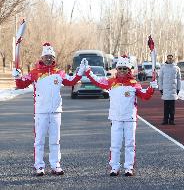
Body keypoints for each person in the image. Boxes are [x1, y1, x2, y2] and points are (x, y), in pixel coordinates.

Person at [12, 43, 86, 176]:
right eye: (46, 56)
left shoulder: (59, 72)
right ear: (42, 57)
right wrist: (17, 77)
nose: (49, 59)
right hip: (41, 111)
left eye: (51, 57)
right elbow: (22, 84)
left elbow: (71, 81)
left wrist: (80, 72)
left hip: (56, 111)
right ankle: (39, 166)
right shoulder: (35, 73)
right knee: (39, 140)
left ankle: (55, 165)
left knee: (55, 140)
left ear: (53, 58)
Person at [84, 55, 158, 177]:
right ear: (117, 69)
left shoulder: (134, 84)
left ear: (129, 70)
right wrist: (88, 71)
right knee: (115, 144)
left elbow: (145, 96)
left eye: (125, 68)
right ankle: (114, 167)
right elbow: (97, 80)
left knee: (130, 144)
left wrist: (151, 88)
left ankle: (129, 167)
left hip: (130, 118)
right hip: (116, 118)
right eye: (120, 68)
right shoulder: (111, 82)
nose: (122, 71)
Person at [158, 54, 181, 125]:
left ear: (173, 59)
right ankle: (165, 120)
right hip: (165, 90)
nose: (170, 59)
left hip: (173, 91)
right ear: (166, 59)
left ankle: (171, 120)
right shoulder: (163, 68)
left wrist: (178, 89)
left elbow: (179, 79)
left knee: (172, 107)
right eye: (168, 58)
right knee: (166, 107)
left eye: (171, 58)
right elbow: (160, 79)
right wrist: (160, 88)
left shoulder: (177, 68)